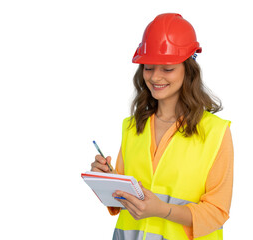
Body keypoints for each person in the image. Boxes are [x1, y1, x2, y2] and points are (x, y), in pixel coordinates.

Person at [90, 13, 233, 240]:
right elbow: (123, 203)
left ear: (189, 69)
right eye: (148, 67)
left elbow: (218, 211)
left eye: (167, 68)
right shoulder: (131, 127)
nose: (155, 77)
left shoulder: (215, 132)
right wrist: (108, 180)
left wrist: (162, 211)